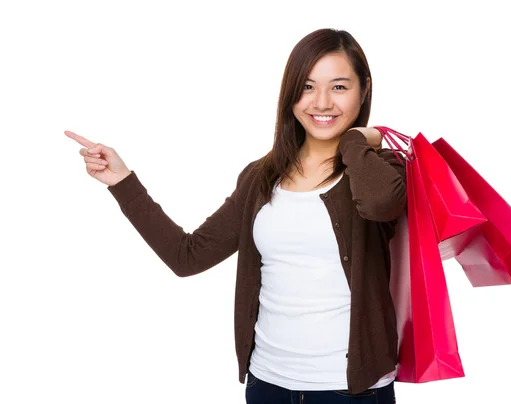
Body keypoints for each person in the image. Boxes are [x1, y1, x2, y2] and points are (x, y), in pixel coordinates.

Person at [66, 28, 406, 404]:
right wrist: (123, 182)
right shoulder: (261, 179)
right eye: (308, 86)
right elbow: (187, 256)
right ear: (291, 93)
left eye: (339, 87)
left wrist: (357, 141)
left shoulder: (381, 169)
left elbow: (379, 205)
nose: (322, 102)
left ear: (365, 89)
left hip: (350, 392)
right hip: (268, 384)